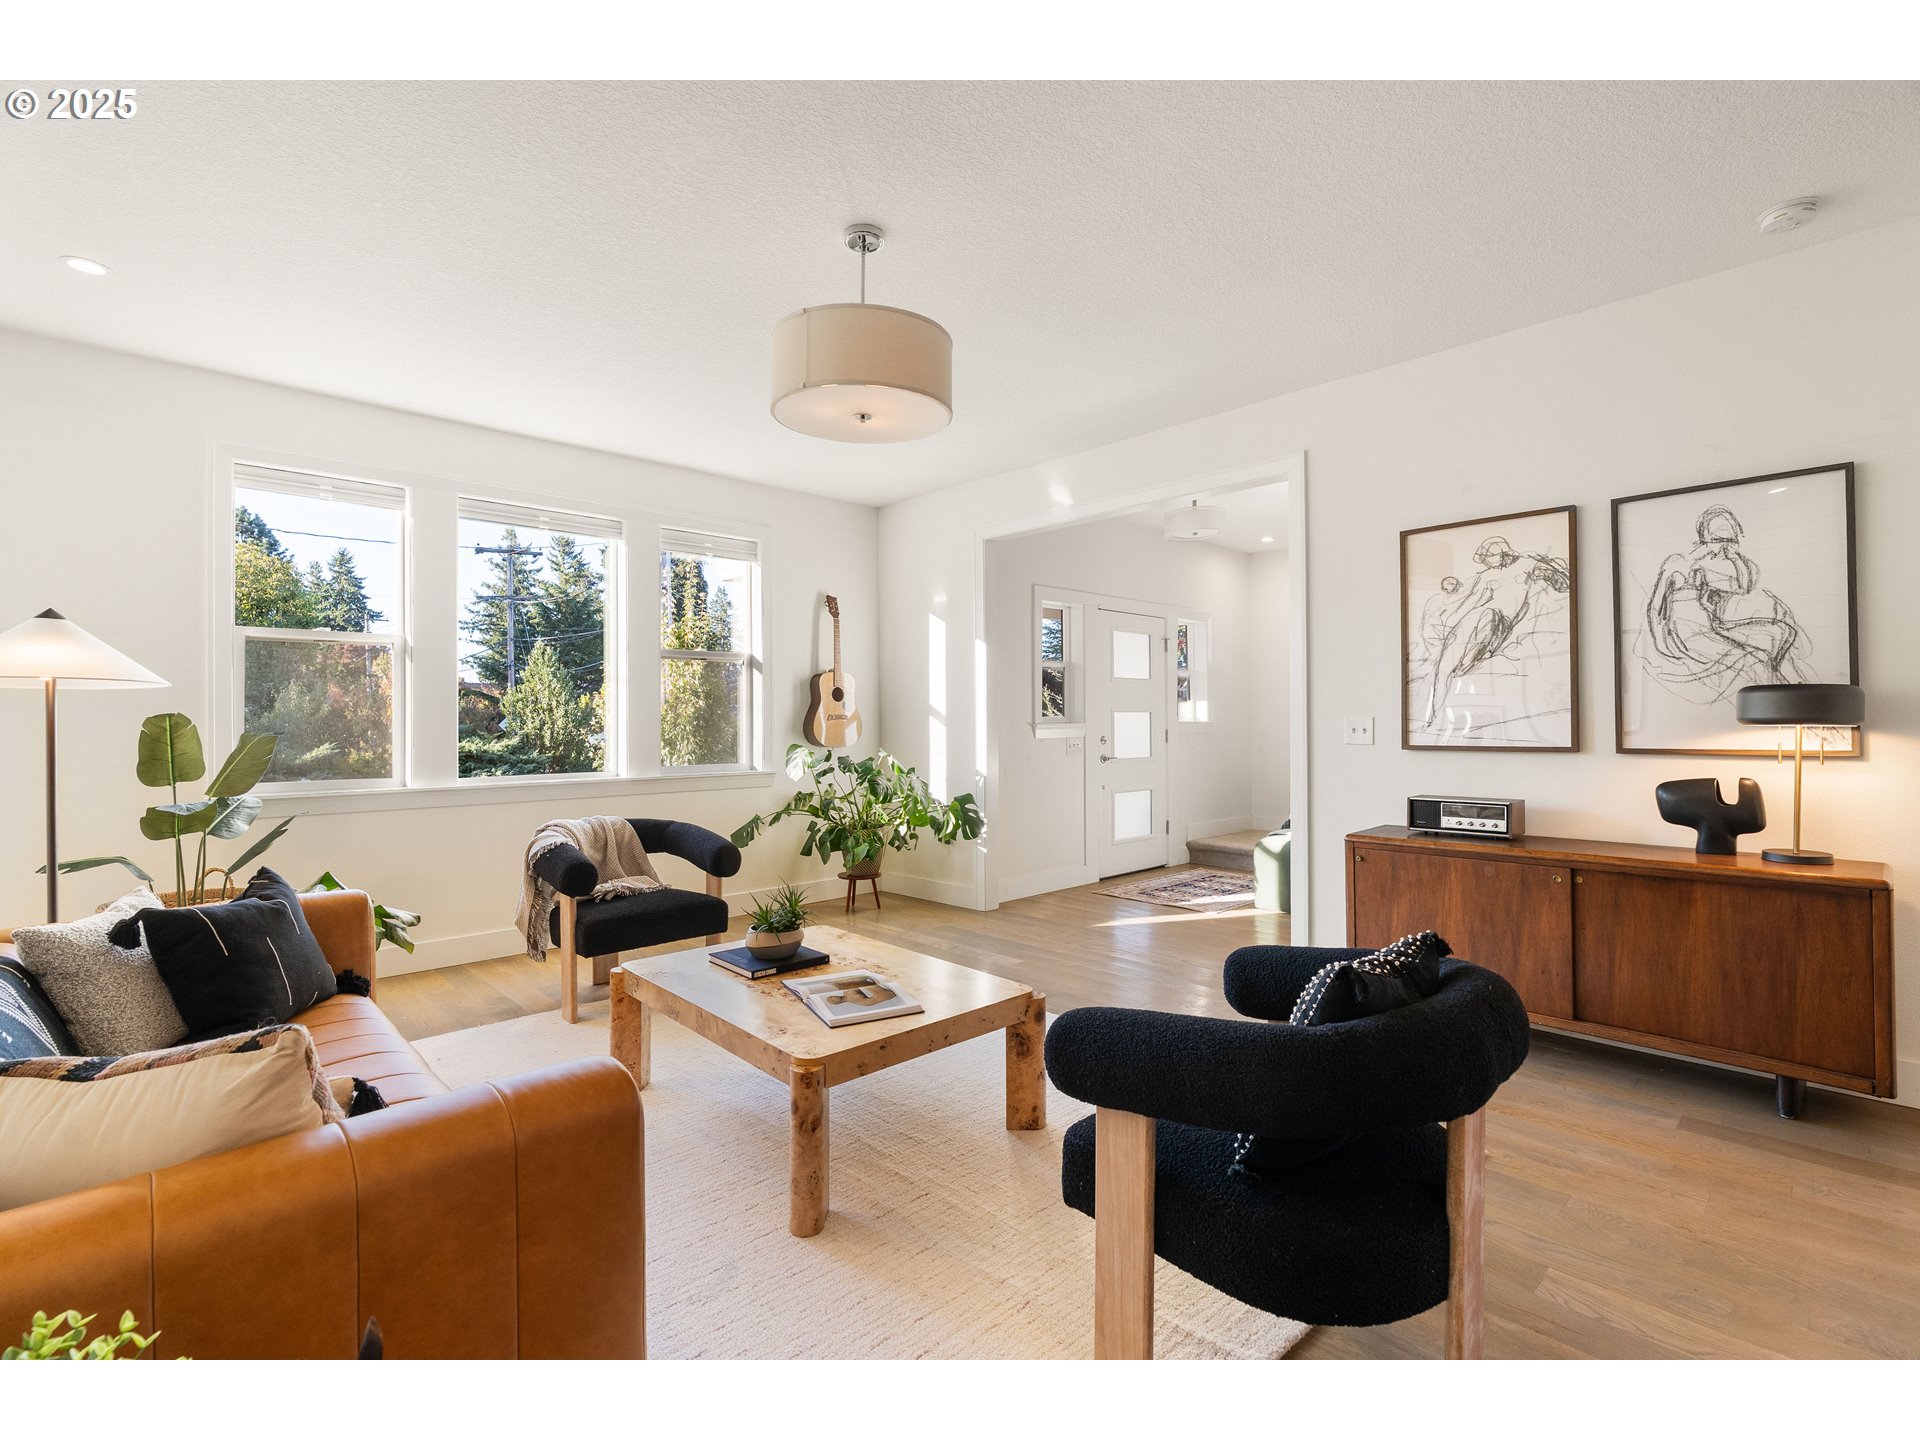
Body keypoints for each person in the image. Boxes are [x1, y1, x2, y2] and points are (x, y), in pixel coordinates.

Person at [1638, 505, 1808, 702]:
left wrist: (1734, 558)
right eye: (1719, 540)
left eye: (1730, 541)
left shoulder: (1702, 569)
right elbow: (1657, 606)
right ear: (1705, 538)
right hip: (1686, 633)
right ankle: (1783, 698)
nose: (1724, 548)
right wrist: (1662, 641)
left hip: (1709, 625)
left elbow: (1743, 586)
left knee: (1782, 632)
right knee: (1757, 659)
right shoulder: (1677, 563)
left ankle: (1788, 690)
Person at [1421, 537, 1570, 727]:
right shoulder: (1485, 576)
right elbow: (1472, 602)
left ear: (1502, 552)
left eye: (1488, 556)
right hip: (1477, 619)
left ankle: (1437, 713)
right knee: (1444, 668)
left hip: (1497, 621)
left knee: (1485, 620)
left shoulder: (1528, 564)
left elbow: (1563, 584)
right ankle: (1431, 719)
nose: (1485, 561)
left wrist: (1547, 572)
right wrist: (1451, 621)